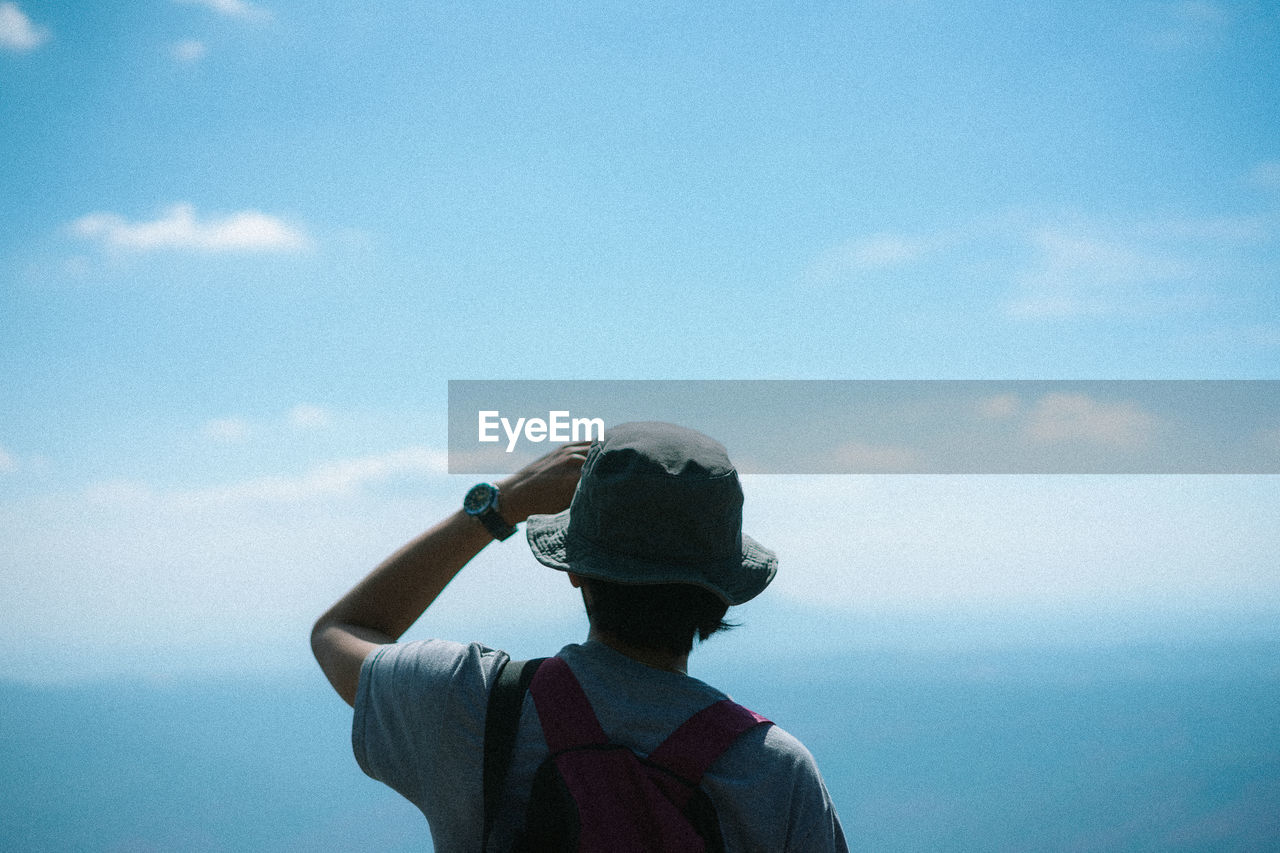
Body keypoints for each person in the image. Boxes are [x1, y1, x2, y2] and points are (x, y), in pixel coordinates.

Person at [312, 421, 849, 851]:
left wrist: (500, 505)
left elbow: (338, 631)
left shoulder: (469, 702)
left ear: (573, 568)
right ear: (725, 590)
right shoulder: (777, 772)